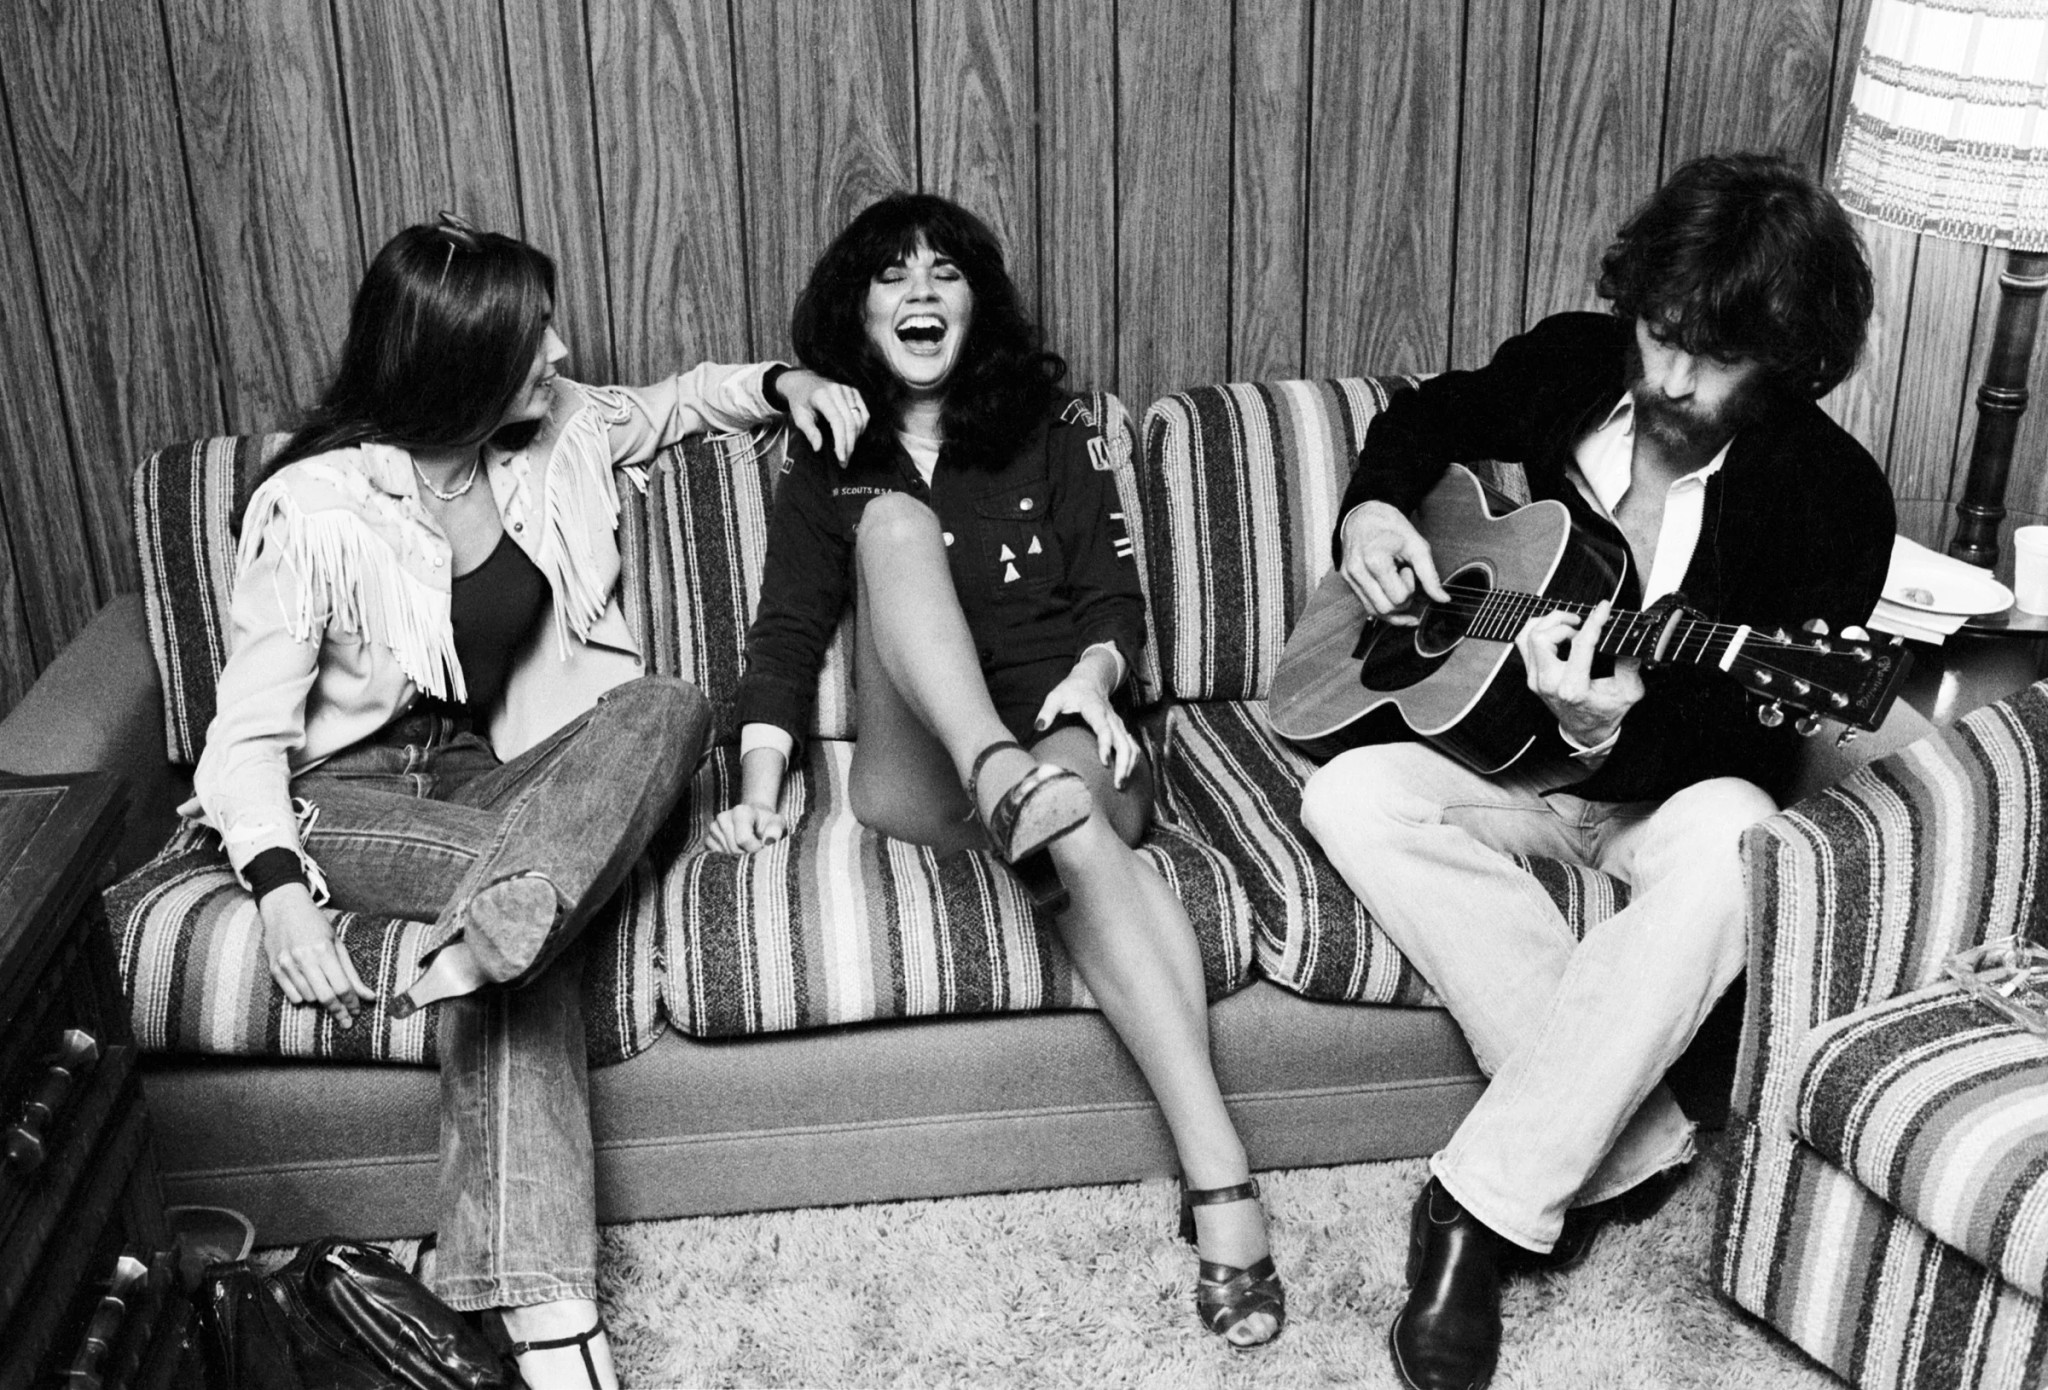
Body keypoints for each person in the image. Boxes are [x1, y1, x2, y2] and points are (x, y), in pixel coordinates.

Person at [185, 214, 861, 1390]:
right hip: (342, 803)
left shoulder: (559, 433)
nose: (556, 350)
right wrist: (283, 893)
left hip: (511, 781)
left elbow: (687, 400)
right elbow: (242, 744)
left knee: (666, 704)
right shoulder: (317, 508)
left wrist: (785, 378)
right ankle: (552, 1331)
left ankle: (508, 913)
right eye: (527, 337)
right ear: (454, 364)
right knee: (525, 941)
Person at [1297, 153, 1894, 1390]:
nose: (1669, 378)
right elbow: (1426, 414)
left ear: (1786, 354)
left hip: (1660, 794)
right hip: (1500, 771)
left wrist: (1605, 730)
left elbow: (1745, 742)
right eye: (1660, 335)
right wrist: (1369, 509)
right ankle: (1627, 1145)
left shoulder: (1829, 500)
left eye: (1711, 358)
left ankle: (1478, 1204)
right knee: (1344, 790)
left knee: (1743, 841)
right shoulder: (1573, 359)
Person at [706, 192, 1285, 1348]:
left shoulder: (1051, 425)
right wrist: (760, 789)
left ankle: (1216, 1171)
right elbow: (783, 637)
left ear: (978, 301)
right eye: (890, 275)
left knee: (1064, 808)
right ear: (855, 308)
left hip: (1067, 732)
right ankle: (1003, 776)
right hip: (927, 771)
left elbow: (1115, 600)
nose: (919, 293)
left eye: (944, 273)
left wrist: (1097, 670)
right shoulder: (833, 453)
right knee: (892, 528)